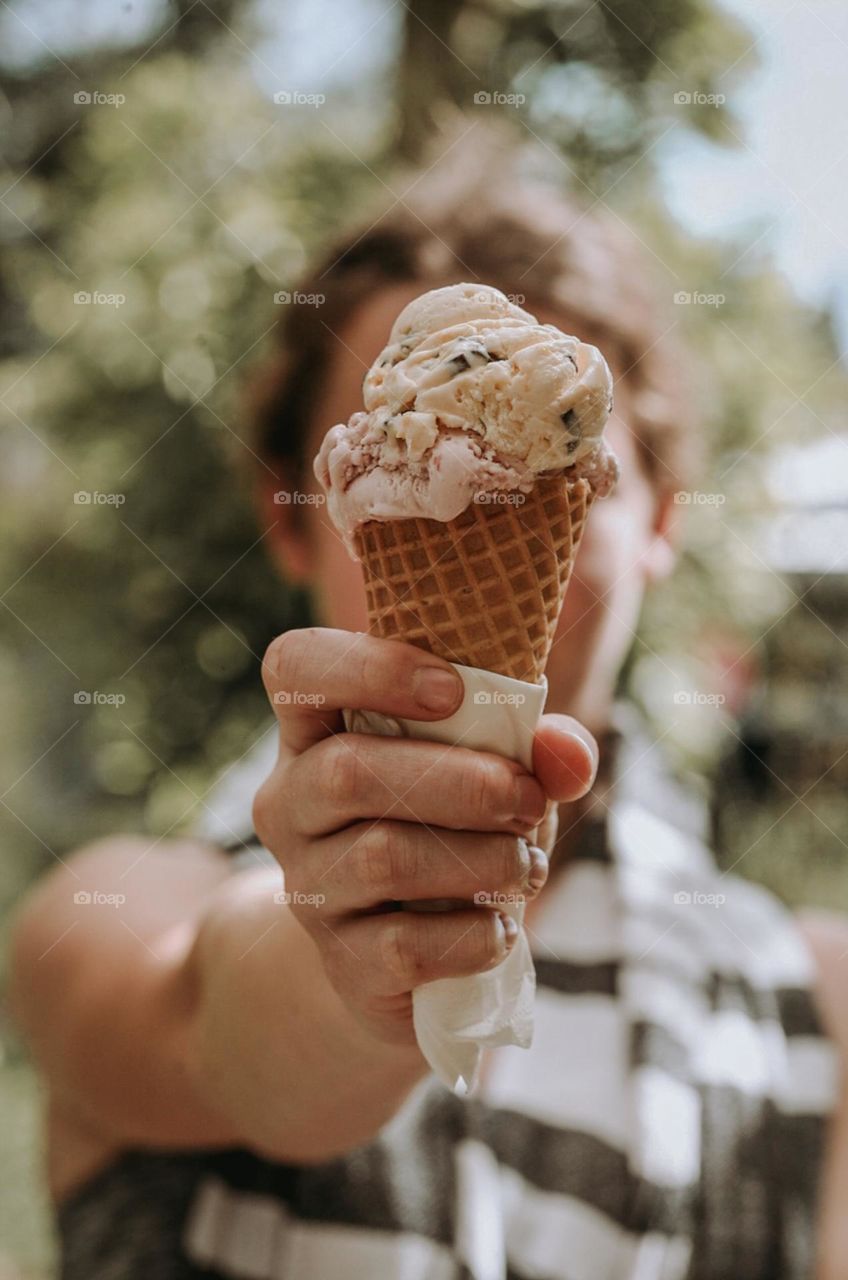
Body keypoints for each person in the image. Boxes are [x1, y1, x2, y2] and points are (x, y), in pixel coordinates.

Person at [10, 135, 848, 1280]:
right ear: (295, 513)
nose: (468, 506)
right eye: (404, 458)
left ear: (658, 517)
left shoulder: (818, 1010)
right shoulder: (111, 914)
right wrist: (355, 966)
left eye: (571, 465)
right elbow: (212, 1024)